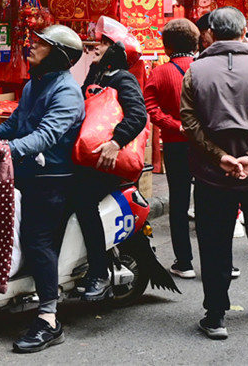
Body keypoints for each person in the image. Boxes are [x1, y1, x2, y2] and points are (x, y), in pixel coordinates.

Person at [180, 7, 248, 340]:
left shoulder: (196, 71)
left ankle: (215, 315)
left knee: (214, 242)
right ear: (245, 32)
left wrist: (221, 156)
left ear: (210, 33)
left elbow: (189, 121)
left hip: (213, 173)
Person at [0, 25, 85, 353]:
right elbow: (14, 124)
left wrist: (8, 149)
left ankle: (48, 318)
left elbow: (46, 135)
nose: (30, 47)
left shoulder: (67, 92)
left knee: (37, 240)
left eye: (40, 45)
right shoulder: (35, 84)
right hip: (26, 173)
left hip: (52, 178)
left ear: (58, 56)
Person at [73, 17, 148, 302]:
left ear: (116, 49)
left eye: (104, 43)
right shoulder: (96, 75)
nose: (97, 46)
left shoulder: (122, 79)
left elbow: (138, 115)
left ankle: (99, 271)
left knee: (82, 201)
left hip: (107, 163)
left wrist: (115, 142)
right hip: (87, 158)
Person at [144, 19, 198, 279]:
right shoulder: (204, 68)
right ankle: (223, 261)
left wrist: (175, 125)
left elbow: (151, 108)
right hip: (206, 145)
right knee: (211, 199)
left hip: (176, 146)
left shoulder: (159, 73)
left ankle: (184, 262)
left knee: (178, 201)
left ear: (166, 46)